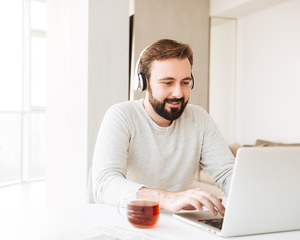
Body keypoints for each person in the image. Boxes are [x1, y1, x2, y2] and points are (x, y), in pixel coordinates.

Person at [91, 39, 234, 216]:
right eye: (168, 82)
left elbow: (227, 173)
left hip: (175, 222)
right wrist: (166, 198)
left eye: (185, 82)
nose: (179, 93)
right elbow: (104, 183)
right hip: (125, 219)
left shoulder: (199, 118)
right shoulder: (121, 115)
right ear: (143, 84)